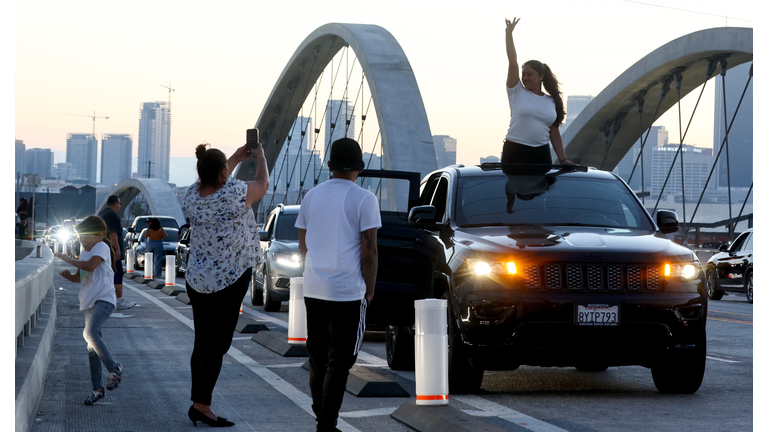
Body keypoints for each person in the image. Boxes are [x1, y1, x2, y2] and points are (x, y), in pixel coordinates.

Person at [296, 138, 381, 432]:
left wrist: (314, 273)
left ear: (329, 165)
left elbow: (303, 246)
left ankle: (322, 416)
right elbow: (369, 250)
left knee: (318, 357)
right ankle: (327, 422)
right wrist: (369, 289)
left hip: (314, 288)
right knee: (340, 361)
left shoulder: (310, 197)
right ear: (360, 167)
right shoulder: (365, 199)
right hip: (347, 291)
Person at [183, 141, 269, 427]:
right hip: (230, 279)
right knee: (219, 344)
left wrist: (232, 158)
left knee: (203, 341)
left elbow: (214, 178)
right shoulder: (235, 193)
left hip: (197, 281)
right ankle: (202, 405)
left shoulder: (192, 196)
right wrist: (261, 158)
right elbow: (262, 184)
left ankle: (199, 402)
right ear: (223, 173)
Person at [55, 215, 123, 405]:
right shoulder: (84, 251)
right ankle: (97, 389)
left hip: (104, 299)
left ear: (100, 235)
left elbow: (91, 265)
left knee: (90, 333)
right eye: (80, 237)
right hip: (89, 302)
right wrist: (70, 277)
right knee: (92, 347)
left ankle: (114, 368)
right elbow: (83, 276)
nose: (83, 241)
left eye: (87, 237)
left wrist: (69, 260)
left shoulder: (101, 247)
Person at [503, 17, 577, 171]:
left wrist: (563, 159)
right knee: (512, 186)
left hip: (541, 153)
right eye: (523, 74)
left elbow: (554, 130)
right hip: (515, 150)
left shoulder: (551, 101)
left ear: (541, 76)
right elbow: (512, 61)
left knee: (540, 191)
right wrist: (509, 34)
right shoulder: (516, 92)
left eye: (529, 74)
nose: (525, 78)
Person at [98, 195, 136, 310]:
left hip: (102, 248)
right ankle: (119, 300)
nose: (120, 205)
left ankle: (104, 299)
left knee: (106, 275)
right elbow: (113, 233)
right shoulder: (112, 215)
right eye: (119, 203)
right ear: (115, 203)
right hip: (111, 250)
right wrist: (117, 249)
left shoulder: (102, 213)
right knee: (117, 274)